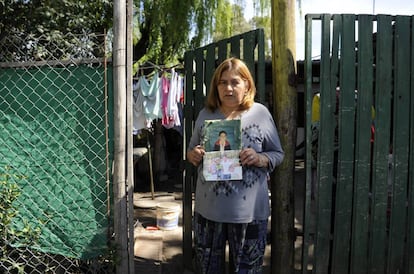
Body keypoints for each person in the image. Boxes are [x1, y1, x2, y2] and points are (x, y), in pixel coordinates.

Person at [186, 57, 284, 274]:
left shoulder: (260, 113)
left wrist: (260, 159)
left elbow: (278, 154)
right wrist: (193, 155)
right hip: (208, 212)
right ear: (216, 86)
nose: (228, 88)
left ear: (247, 84)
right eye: (222, 82)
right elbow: (191, 150)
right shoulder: (206, 115)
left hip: (248, 214)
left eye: (234, 82)